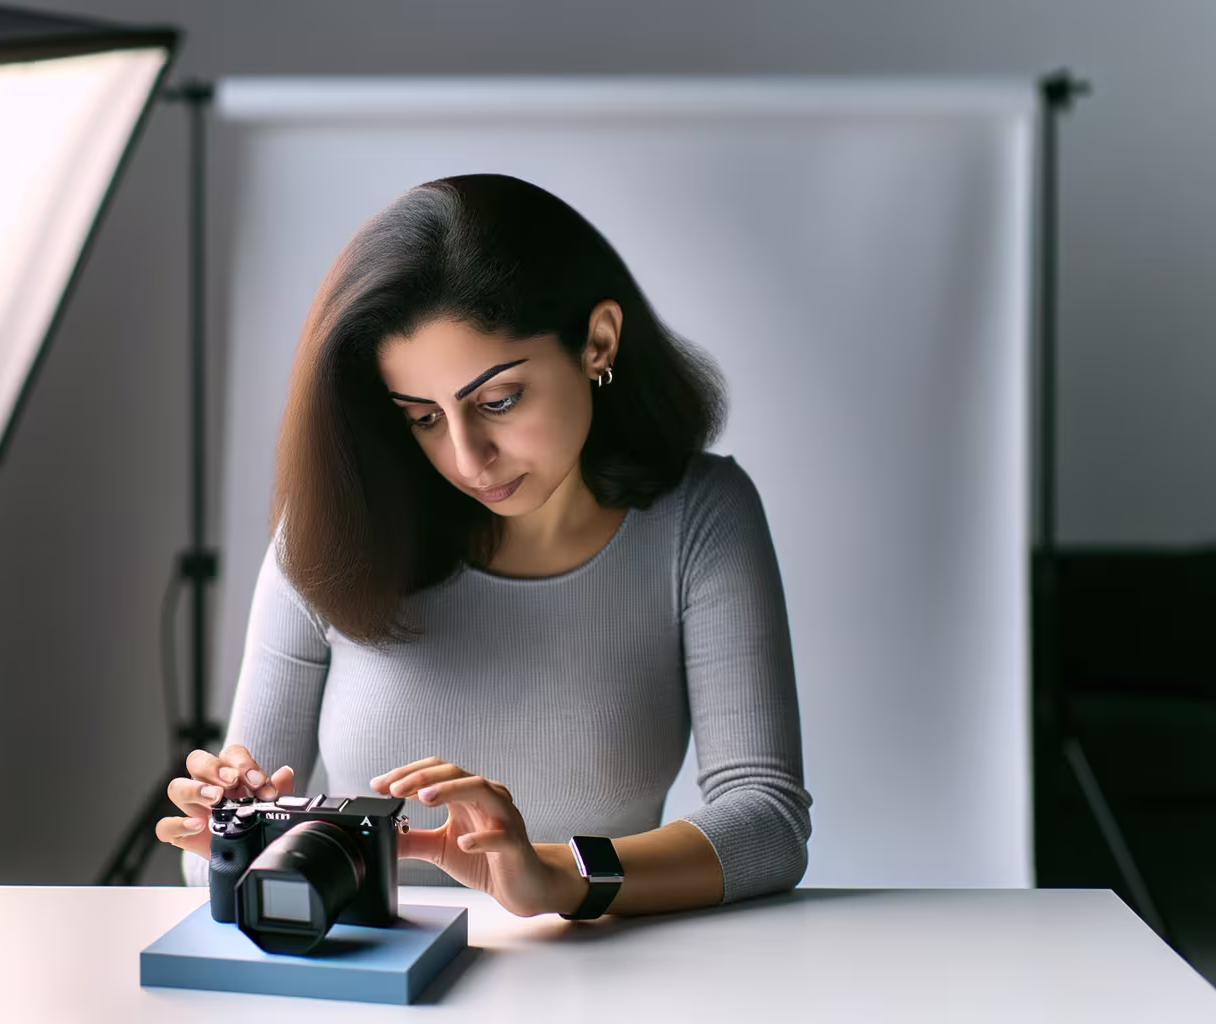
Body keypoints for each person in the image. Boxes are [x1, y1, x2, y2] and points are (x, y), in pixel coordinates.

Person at [155, 172, 811, 918]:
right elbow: (215, 872)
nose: (468, 458)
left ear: (598, 343)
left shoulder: (699, 517)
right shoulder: (331, 531)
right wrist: (231, 830)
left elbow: (769, 821)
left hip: (593, 990)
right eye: (422, 418)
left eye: (497, 401)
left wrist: (559, 876)